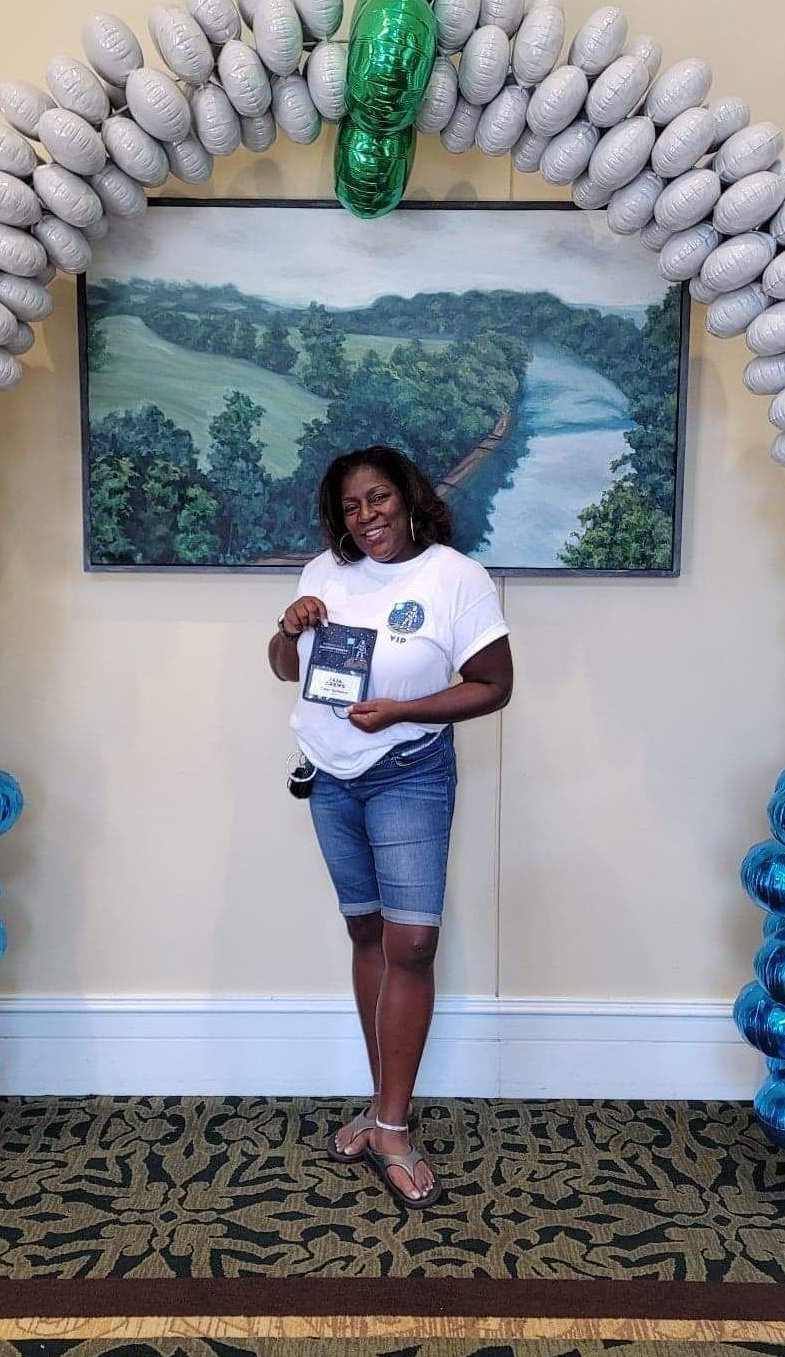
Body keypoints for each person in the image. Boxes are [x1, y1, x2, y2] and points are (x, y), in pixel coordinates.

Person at [267, 445, 513, 1207]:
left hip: (408, 770)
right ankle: (380, 1112)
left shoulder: (455, 576)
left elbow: (492, 686)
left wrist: (402, 710)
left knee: (413, 941)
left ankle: (394, 1127)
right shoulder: (322, 573)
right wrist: (289, 624)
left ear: (407, 498)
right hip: (330, 774)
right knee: (368, 933)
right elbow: (285, 667)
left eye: (377, 499)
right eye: (349, 507)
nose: (366, 517)